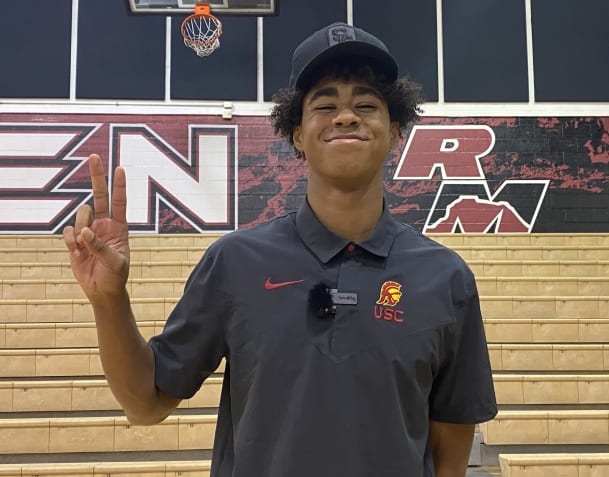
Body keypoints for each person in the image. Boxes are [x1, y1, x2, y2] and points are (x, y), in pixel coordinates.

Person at [63, 21, 497, 477]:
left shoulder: (446, 278)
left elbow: (450, 447)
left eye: (366, 105)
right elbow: (147, 404)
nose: (346, 116)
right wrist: (109, 301)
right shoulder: (234, 262)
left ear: (393, 131)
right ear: (296, 134)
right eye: (325, 105)